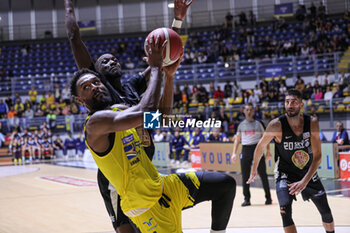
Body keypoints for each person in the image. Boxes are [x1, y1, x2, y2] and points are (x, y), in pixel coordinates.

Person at [70, 40, 236, 232]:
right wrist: (156, 68)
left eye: (96, 82)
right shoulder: (95, 123)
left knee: (225, 185)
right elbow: (145, 109)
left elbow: (162, 118)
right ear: (81, 101)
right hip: (143, 204)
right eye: (87, 87)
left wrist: (170, 76)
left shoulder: (121, 110)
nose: (95, 86)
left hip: (162, 186)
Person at [65, 1, 193, 231]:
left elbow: (164, 57)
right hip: (119, 181)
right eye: (105, 61)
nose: (112, 61)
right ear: (95, 70)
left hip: (144, 171)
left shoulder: (133, 87)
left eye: (114, 59)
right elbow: (75, 37)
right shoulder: (100, 92)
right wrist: (68, 5)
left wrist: (178, 21)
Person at [247, 89, 334, 233]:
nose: (290, 105)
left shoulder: (312, 122)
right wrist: (253, 170)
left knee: (326, 211)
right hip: (285, 173)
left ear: (301, 104)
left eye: (294, 102)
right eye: (287, 102)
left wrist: (304, 181)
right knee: (285, 209)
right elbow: (260, 146)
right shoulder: (276, 125)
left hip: (308, 172)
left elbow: (318, 156)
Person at [231, 103, 272, 206]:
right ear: (244, 111)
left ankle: (268, 198)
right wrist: (234, 153)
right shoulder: (241, 125)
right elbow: (237, 140)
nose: (249, 111)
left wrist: (268, 151)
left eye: (250, 110)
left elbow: (265, 138)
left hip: (257, 149)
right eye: (247, 110)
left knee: (263, 174)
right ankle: (247, 199)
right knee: (245, 175)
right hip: (246, 149)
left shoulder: (258, 124)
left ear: (253, 111)